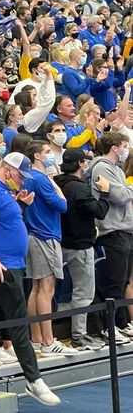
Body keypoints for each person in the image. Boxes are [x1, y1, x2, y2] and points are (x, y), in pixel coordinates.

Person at [0, 152, 61, 406]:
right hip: (4, 266)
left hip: (12, 264)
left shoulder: (4, 191)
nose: (22, 181)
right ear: (6, 170)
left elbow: (4, 223)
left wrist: (23, 206)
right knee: (18, 321)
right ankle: (33, 379)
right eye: (19, 175)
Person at [55, 148, 109, 351]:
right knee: (84, 293)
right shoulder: (79, 189)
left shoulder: (60, 183)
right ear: (79, 164)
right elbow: (99, 211)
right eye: (85, 162)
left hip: (64, 241)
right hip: (80, 244)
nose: (87, 165)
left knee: (76, 291)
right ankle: (79, 336)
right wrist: (104, 192)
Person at [21, 141, 72, 355]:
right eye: (47, 152)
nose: (51, 155)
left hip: (34, 234)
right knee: (46, 289)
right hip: (45, 235)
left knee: (36, 288)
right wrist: (58, 188)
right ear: (37, 156)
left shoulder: (29, 178)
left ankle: (36, 338)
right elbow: (63, 205)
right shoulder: (41, 179)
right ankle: (49, 341)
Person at [89, 131, 133, 341]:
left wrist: (127, 189)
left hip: (125, 230)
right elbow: (121, 196)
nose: (126, 150)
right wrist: (129, 189)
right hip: (112, 231)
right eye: (124, 145)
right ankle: (110, 326)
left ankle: (122, 323)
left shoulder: (117, 169)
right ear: (115, 147)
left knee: (123, 280)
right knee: (114, 282)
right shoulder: (101, 168)